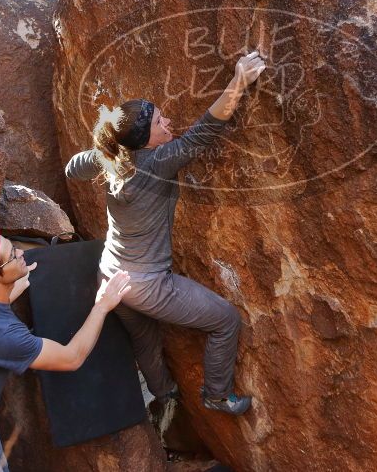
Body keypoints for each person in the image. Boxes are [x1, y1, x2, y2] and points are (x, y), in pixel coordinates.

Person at [65, 51, 266, 415]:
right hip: (147, 285)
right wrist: (238, 82)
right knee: (226, 320)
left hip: (111, 277)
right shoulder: (157, 162)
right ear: (144, 139)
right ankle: (217, 395)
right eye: (160, 122)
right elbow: (206, 129)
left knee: (144, 338)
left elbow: (71, 168)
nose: (168, 121)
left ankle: (165, 394)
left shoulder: (113, 157)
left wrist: (101, 151)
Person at [0, 228, 131, 472]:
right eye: (12, 255)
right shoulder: (3, 336)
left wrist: (17, 279)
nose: (20, 252)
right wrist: (102, 305)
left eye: (12, 245)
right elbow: (71, 358)